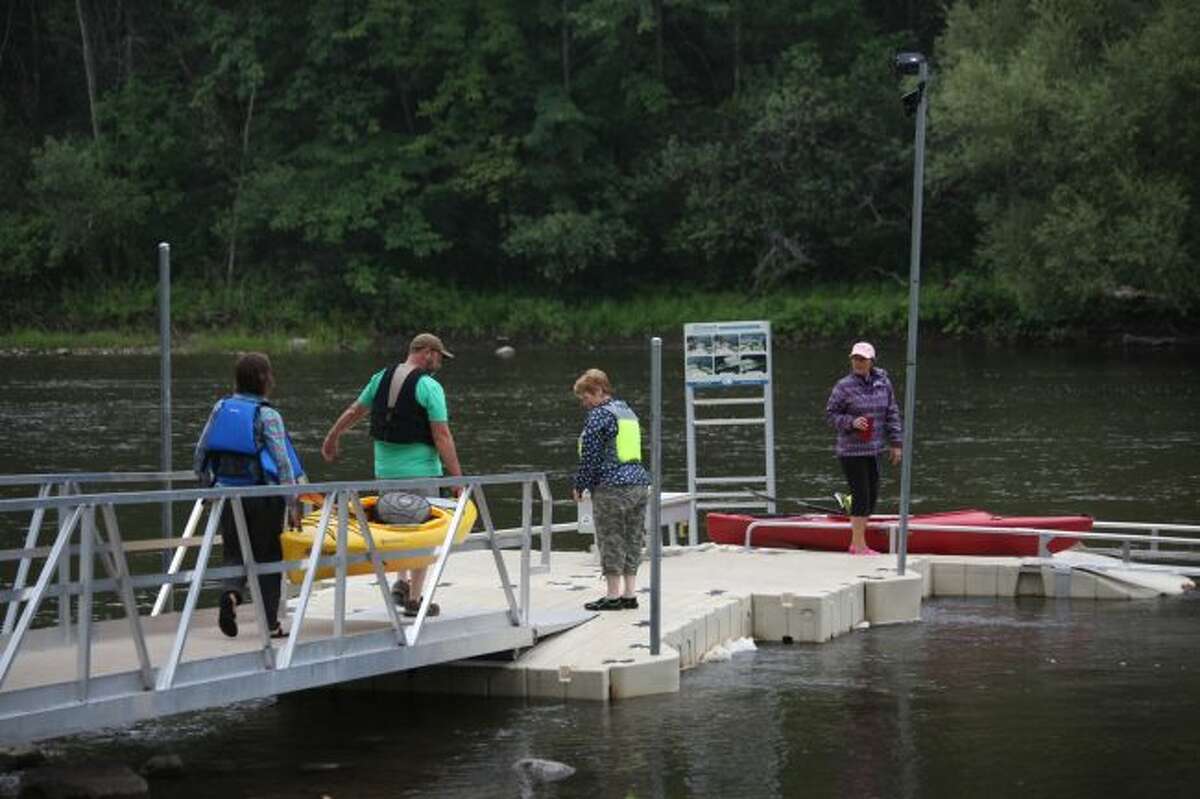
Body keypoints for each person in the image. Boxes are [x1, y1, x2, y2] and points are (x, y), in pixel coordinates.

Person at [321, 332, 463, 616]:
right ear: (427, 352)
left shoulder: (380, 378)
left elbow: (355, 411)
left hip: (386, 474)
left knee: (398, 526)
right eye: (439, 357)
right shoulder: (429, 386)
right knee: (422, 535)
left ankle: (400, 582)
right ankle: (415, 599)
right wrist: (457, 478)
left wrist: (332, 437)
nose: (440, 363)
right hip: (421, 474)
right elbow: (442, 435)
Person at [194, 352, 303, 638]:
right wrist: (293, 502)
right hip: (264, 497)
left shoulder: (220, 407)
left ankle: (230, 594)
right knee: (268, 558)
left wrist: (207, 487)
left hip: (228, 495)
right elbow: (282, 462)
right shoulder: (268, 415)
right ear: (265, 379)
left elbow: (201, 452)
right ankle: (270, 624)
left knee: (233, 553)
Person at [572, 369, 652, 611]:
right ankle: (630, 594)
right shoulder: (626, 411)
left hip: (612, 486)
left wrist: (580, 484)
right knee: (633, 539)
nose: (584, 403)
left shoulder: (599, 415)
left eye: (585, 397)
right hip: (639, 483)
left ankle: (612, 596)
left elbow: (590, 456)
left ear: (598, 391)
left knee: (611, 539)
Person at [824, 341, 903, 555]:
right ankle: (858, 545)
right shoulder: (843, 386)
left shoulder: (883, 383)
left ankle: (851, 516)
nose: (858, 363)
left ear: (871, 361)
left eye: (863, 359)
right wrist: (851, 422)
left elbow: (892, 413)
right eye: (855, 359)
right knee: (861, 495)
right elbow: (830, 415)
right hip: (851, 451)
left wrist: (896, 443)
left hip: (874, 449)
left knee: (872, 496)